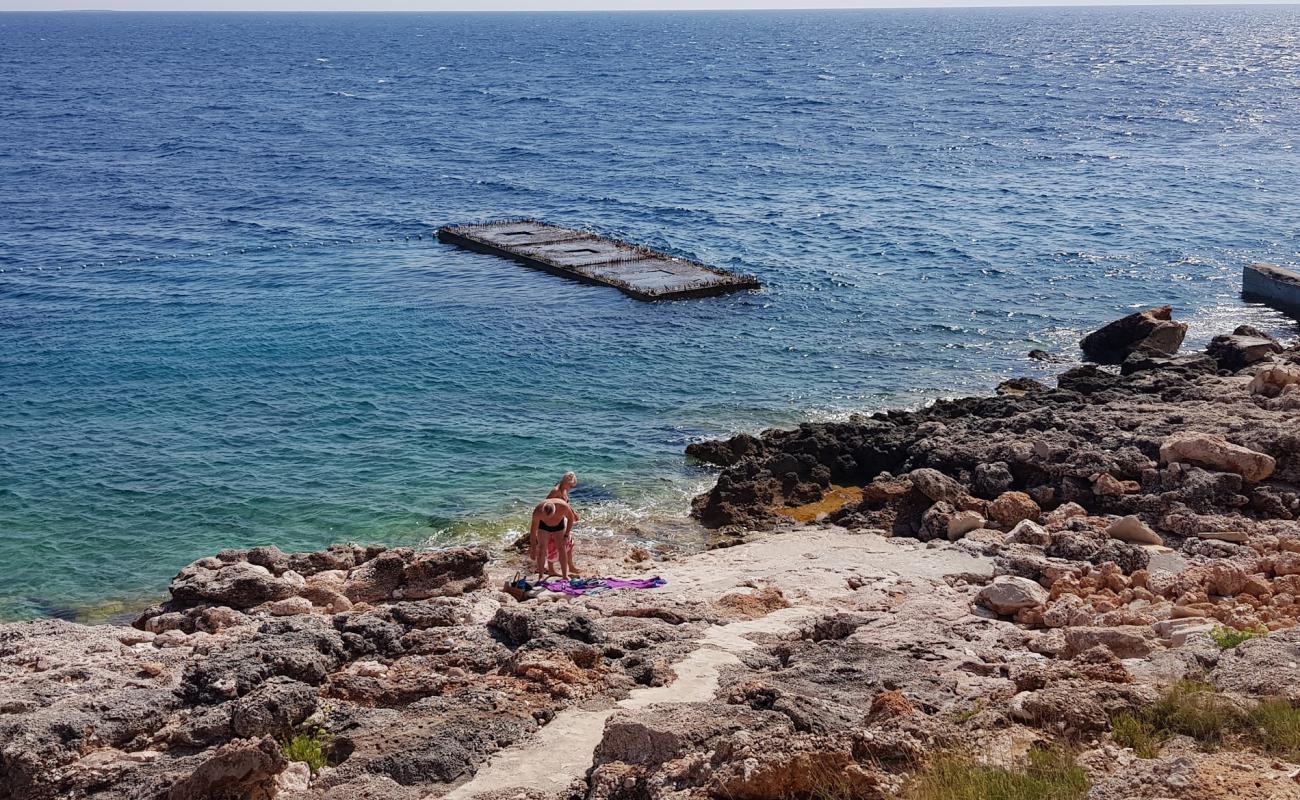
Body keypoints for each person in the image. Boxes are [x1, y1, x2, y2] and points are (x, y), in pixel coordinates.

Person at [529, 498, 578, 580]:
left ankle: (565, 575)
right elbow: (533, 532)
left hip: (558, 526)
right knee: (541, 549)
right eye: (545, 516)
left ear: (555, 510)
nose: (548, 519)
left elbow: (571, 519)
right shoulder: (537, 512)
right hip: (543, 527)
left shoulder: (563, 507)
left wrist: (566, 535)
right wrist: (533, 548)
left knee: (561, 547)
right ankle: (541, 576)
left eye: (550, 516)